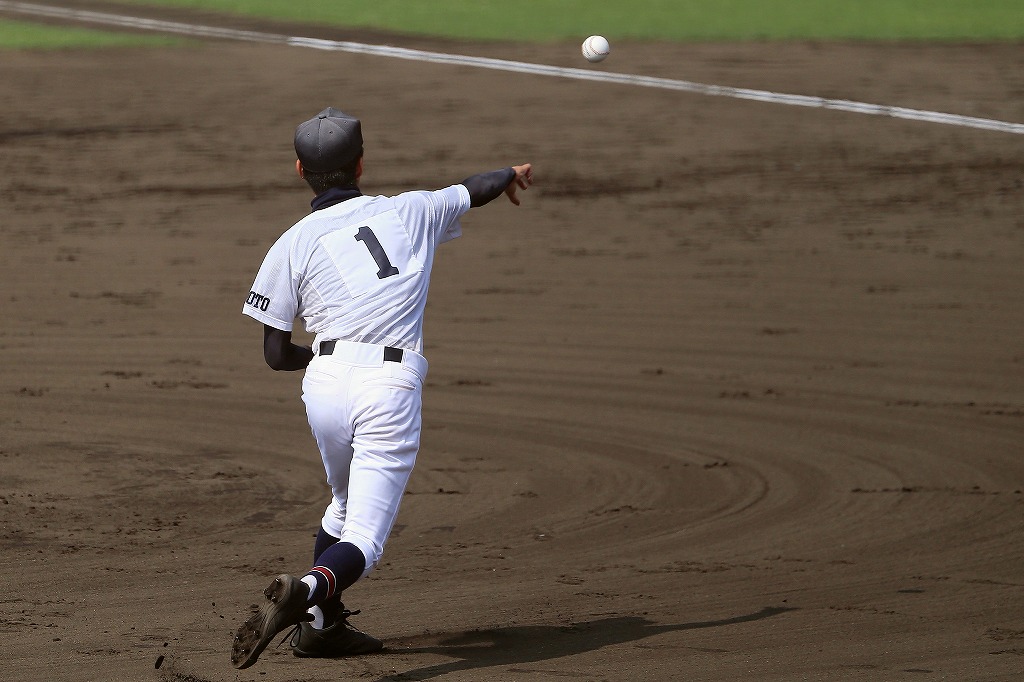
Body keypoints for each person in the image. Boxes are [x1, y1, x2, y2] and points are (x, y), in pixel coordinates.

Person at [231, 106, 533, 670]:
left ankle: (321, 629)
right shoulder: (410, 210)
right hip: (387, 389)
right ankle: (307, 591)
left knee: (342, 504)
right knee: (365, 541)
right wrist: (509, 174)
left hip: (322, 385)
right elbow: (473, 189)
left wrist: (322, 356)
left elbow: (275, 356)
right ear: (361, 164)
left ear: (300, 169)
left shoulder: (290, 243)